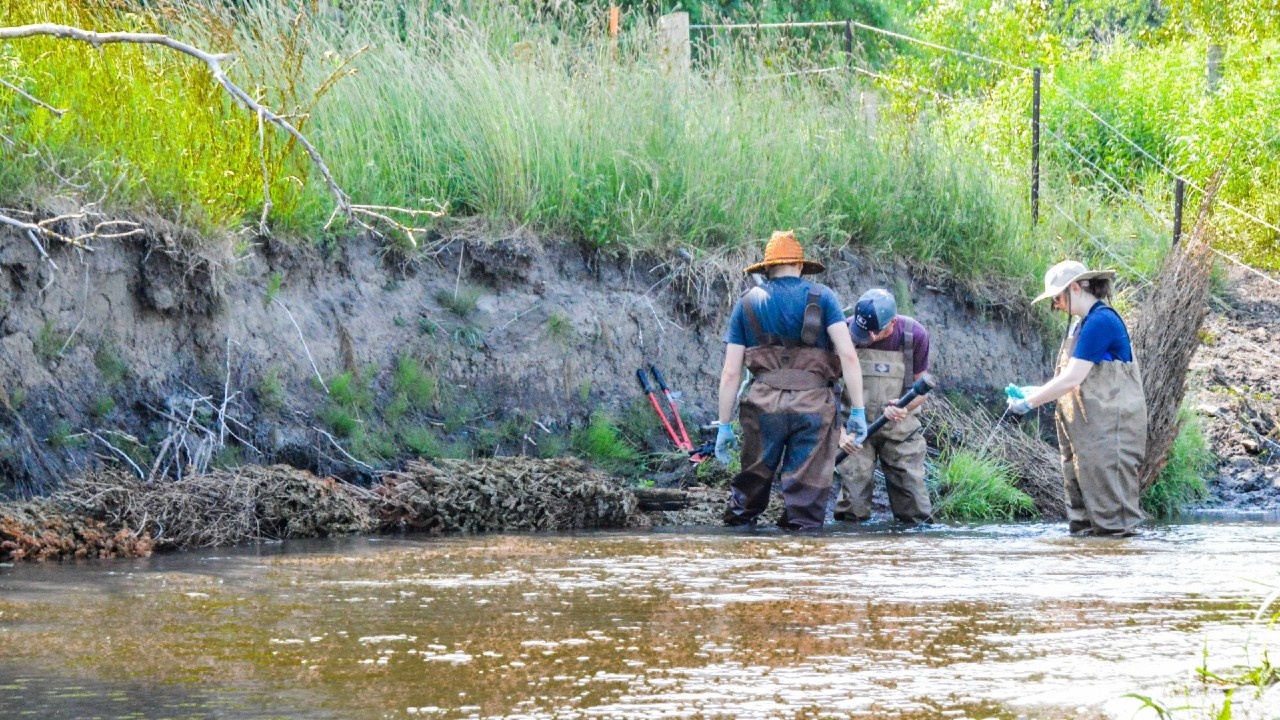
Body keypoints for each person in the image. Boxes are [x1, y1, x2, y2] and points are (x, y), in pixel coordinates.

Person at [714, 230, 867, 530]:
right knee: (807, 495)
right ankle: (801, 556)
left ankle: (739, 546)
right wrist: (859, 410)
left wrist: (723, 425)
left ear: (767, 268)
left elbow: (731, 372)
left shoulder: (747, 304)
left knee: (753, 481)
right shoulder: (823, 298)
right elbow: (848, 356)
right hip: (814, 406)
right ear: (799, 266)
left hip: (763, 406)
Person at [1007, 260, 1147, 536]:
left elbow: (1072, 378)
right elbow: (1073, 378)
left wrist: (1029, 403)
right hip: (1085, 433)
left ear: (1075, 288)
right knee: (1082, 522)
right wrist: (1034, 391)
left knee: (1114, 524)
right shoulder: (1081, 326)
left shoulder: (1101, 322)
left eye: (1057, 298)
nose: (1055, 305)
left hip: (1110, 434)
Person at [832, 288, 933, 524]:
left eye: (875, 332)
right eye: (863, 332)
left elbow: (922, 388)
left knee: (915, 508)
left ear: (893, 322)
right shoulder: (843, 332)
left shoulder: (914, 335)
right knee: (852, 508)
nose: (870, 338)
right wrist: (840, 432)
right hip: (855, 435)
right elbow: (826, 388)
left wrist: (904, 407)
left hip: (901, 432)